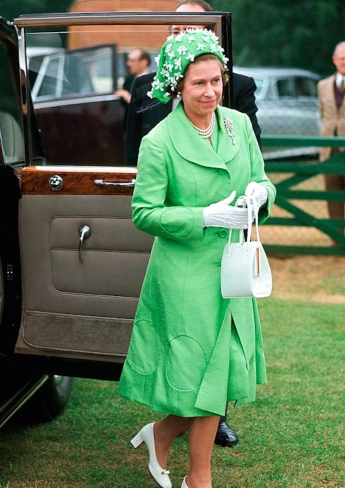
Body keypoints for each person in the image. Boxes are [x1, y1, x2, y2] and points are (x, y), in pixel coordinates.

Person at [119, 29, 276, 488]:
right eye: (198, 84)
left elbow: (265, 181)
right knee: (199, 375)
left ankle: (162, 438)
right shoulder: (159, 141)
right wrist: (203, 215)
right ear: (176, 87)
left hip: (233, 267)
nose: (210, 92)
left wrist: (257, 193)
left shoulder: (238, 125)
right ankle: (199, 479)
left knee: (219, 373)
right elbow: (144, 213)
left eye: (216, 81)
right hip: (185, 273)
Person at [125, 0, 261, 168]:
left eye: (190, 31)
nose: (182, 38)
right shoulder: (144, 86)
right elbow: (132, 153)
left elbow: (252, 154)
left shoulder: (239, 87)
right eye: (176, 31)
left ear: (211, 34)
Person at [317, 41, 345, 241]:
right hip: (329, 149)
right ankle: (336, 236)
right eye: (342, 58)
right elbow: (323, 115)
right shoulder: (323, 85)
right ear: (335, 60)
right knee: (332, 193)